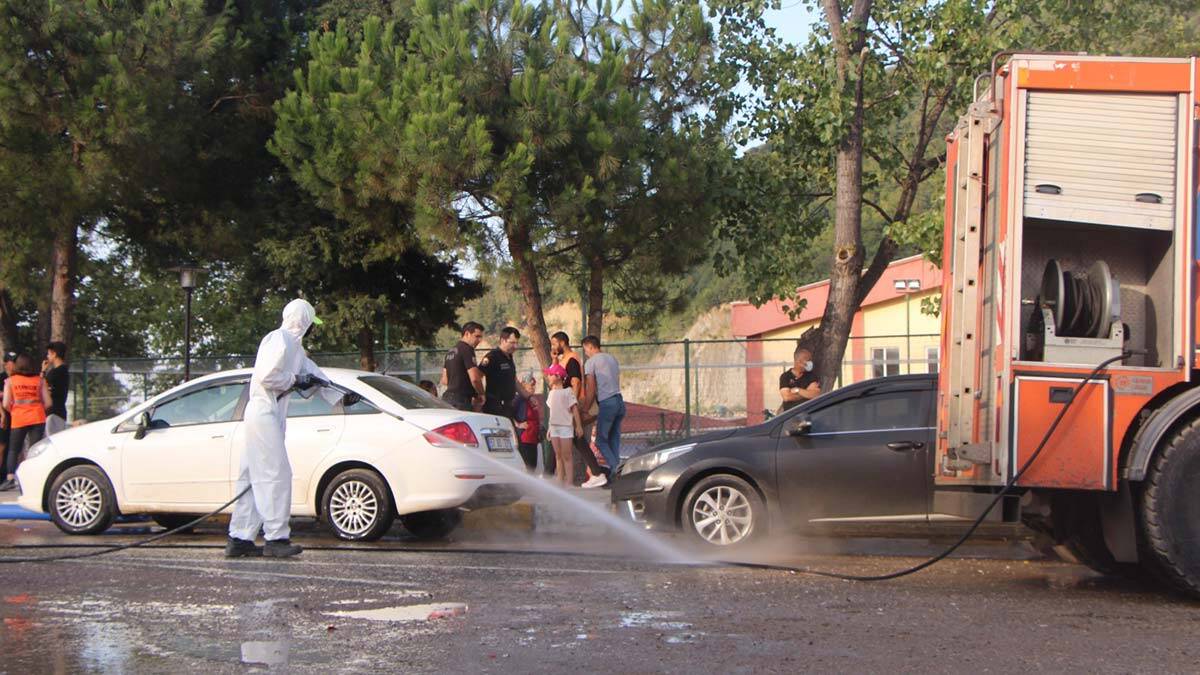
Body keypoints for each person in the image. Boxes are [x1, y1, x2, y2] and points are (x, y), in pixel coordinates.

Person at [227, 298, 339, 558]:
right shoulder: (278, 339)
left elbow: (318, 378)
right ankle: (277, 538)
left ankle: (240, 537)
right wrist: (295, 379)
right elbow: (267, 376)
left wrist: (343, 396)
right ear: (304, 321)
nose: (313, 328)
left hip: (270, 413)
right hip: (263, 411)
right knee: (276, 474)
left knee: (252, 476)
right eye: (312, 323)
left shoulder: (296, 350)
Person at [551, 331, 605, 485]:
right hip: (566, 405)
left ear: (562, 343)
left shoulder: (572, 359)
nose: (553, 346)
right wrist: (554, 360)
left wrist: (571, 404)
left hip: (570, 405)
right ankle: (595, 472)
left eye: (554, 343)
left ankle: (550, 475)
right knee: (573, 437)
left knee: (569, 436)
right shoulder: (563, 360)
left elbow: (576, 382)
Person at [0, 354, 52, 491]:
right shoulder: (39, 381)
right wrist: (38, 408)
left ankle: (10, 478)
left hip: (19, 418)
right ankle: (34, 479)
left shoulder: (10, 381)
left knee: (13, 449)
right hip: (37, 417)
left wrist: (14, 410)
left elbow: (5, 403)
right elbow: (48, 403)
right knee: (34, 449)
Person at [581, 336, 624, 482]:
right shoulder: (612, 359)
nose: (585, 352)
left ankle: (616, 468)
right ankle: (616, 474)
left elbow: (591, 387)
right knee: (613, 439)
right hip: (619, 400)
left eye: (585, 349)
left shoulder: (591, 362)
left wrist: (585, 409)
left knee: (600, 440)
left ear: (590, 346)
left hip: (607, 403)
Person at [543, 363, 582, 486]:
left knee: (567, 456)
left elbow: (574, 409)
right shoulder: (551, 393)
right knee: (558, 455)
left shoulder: (568, 391)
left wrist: (578, 426)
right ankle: (560, 481)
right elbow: (552, 412)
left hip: (566, 427)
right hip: (554, 427)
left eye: (550, 375)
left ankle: (569, 483)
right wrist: (549, 428)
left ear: (558, 376)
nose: (548, 377)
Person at [440, 322, 485, 411]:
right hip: (461, 401)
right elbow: (475, 379)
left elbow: (444, 380)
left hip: (447, 399)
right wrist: (481, 394)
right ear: (467, 334)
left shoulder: (451, 351)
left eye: (481, 337)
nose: (479, 340)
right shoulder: (467, 349)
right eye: (477, 336)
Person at [480, 327, 520, 418]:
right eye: (512, 343)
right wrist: (481, 394)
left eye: (517, 343)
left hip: (508, 406)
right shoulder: (493, 357)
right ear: (503, 340)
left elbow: (514, 380)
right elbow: (477, 376)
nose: (516, 346)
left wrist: (528, 396)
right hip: (495, 406)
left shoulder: (509, 357)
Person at [513, 373, 542, 472]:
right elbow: (509, 414)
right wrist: (518, 424)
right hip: (524, 438)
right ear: (523, 385)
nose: (533, 387)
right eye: (531, 384)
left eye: (534, 384)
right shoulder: (519, 400)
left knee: (533, 466)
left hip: (533, 438)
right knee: (526, 466)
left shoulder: (533, 400)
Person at [779, 346, 820, 412]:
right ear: (799, 361)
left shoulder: (811, 376)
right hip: (791, 415)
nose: (810, 362)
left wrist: (797, 390)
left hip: (808, 413)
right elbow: (786, 397)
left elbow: (815, 394)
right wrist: (806, 393)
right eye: (808, 360)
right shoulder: (785, 376)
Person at [43, 341, 69, 435]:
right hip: (61, 412)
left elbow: (44, 388)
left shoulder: (54, 373)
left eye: (49, 353)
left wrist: (43, 372)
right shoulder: (65, 370)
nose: (47, 356)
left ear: (54, 354)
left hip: (52, 413)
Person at [0, 353, 13, 486]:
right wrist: (3, 414)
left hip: (16, 416)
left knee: (14, 448)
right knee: (2, 447)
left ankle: (9, 476)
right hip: (4, 416)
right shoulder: (2, 378)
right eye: (11, 362)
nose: (13, 364)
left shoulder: (18, 378)